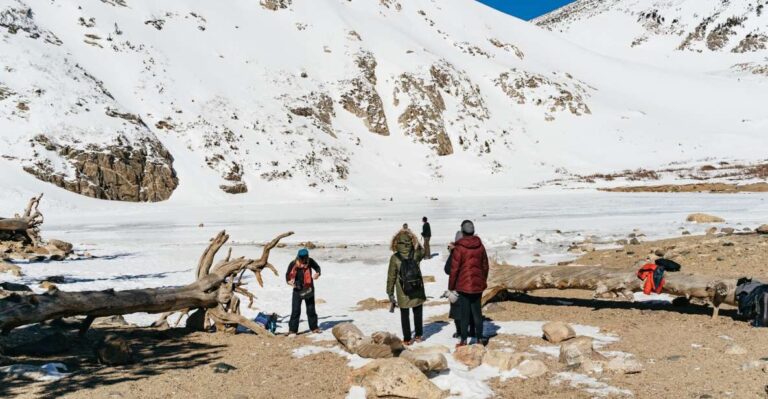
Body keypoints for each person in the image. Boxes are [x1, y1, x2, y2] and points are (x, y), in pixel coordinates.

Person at [449, 220, 489, 347]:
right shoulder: (480, 245)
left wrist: (451, 286)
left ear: (462, 231)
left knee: (464, 314)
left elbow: (454, 269)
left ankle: (464, 341)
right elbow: (485, 266)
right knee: (477, 313)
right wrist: (483, 280)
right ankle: (479, 339)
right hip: (477, 286)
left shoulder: (459, 248)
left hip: (464, 286)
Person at [387, 226, 426, 345]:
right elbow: (423, 251)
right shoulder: (415, 254)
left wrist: (390, 292)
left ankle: (407, 338)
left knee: (405, 315)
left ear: (396, 243)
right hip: (417, 288)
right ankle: (419, 335)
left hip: (403, 291)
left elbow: (391, 277)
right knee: (418, 311)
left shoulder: (394, 258)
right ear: (410, 241)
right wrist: (415, 239)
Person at [444, 231, 475, 338]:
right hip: (472, 284)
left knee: (457, 308)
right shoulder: (474, 249)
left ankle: (460, 332)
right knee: (471, 307)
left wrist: (451, 253)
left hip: (458, 285)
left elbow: (448, 269)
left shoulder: (456, 252)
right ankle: (472, 331)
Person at [285, 248, 321, 336]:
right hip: (297, 289)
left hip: (309, 289)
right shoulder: (293, 263)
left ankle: (314, 328)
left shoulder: (310, 261)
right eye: (302, 259)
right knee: (296, 310)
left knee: (311, 309)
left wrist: (317, 273)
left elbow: (317, 267)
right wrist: (289, 281)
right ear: (298, 257)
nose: (303, 260)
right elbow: (287, 275)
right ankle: (293, 330)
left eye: (305, 258)